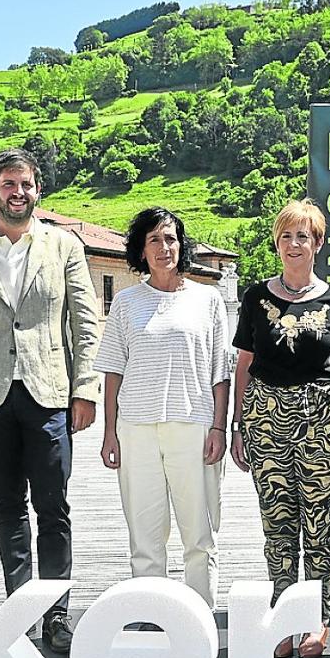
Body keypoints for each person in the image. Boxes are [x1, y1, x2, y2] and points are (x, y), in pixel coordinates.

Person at [0, 148, 101, 654]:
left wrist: (85, 388)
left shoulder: (65, 246)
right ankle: (19, 611)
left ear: (38, 190)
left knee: (52, 505)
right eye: (8, 184)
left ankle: (57, 614)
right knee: (7, 504)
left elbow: (85, 322)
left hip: (49, 391)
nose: (18, 193)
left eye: (26, 184)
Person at [230, 199, 330, 658]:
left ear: (317, 243)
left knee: (321, 520)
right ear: (276, 241)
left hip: (323, 420)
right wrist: (238, 424)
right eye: (286, 235)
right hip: (265, 418)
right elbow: (244, 364)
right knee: (278, 522)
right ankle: (285, 617)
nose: (293, 244)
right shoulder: (255, 298)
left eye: (302, 236)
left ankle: (319, 618)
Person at [94, 207, 230, 607]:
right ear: (141, 248)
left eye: (170, 238)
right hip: (136, 430)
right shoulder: (126, 303)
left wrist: (220, 428)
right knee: (145, 536)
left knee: (199, 536)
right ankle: (154, 617)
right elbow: (113, 372)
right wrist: (109, 432)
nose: (164, 247)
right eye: (154, 239)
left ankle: (200, 618)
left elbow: (221, 372)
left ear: (181, 245)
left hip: (195, 427)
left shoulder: (207, 300)